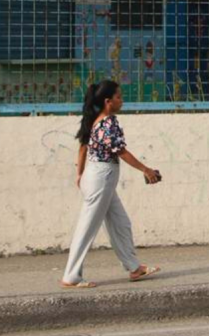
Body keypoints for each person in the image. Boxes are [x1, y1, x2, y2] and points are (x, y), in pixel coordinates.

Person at [60, 80, 162, 288]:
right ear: (108, 101)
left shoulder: (95, 120)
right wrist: (146, 170)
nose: (121, 101)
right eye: (118, 97)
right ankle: (71, 276)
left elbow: (83, 147)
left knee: (120, 223)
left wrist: (79, 174)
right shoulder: (108, 123)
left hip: (98, 177)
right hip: (101, 178)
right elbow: (121, 151)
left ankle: (134, 267)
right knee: (87, 229)